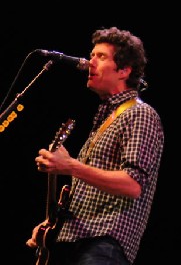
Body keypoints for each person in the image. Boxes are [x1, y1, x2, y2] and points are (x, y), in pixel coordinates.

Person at [26, 26, 165, 265]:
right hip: (78, 242)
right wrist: (53, 225)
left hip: (104, 244)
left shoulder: (139, 114)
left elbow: (133, 185)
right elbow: (89, 194)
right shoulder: (105, 120)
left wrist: (71, 166)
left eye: (100, 57)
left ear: (124, 70)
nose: (90, 62)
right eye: (91, 55)